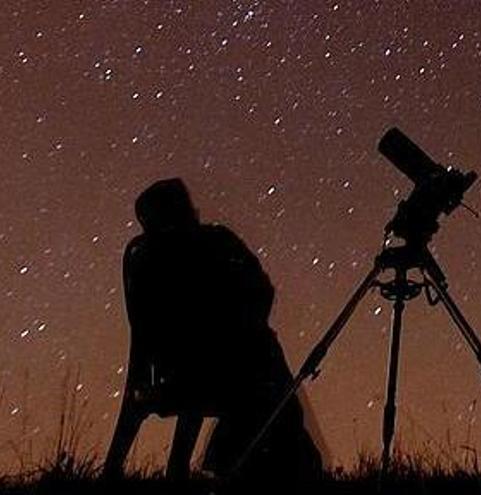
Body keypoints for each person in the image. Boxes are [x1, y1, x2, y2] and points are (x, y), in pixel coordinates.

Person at [105, 178, 322, 482]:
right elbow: (261, 291)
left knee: (257, 360)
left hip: (188, 369)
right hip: (218, 370)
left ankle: (244, 464)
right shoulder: (215, 242)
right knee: (265, 366)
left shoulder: (147, 258)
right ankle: (274, 468)